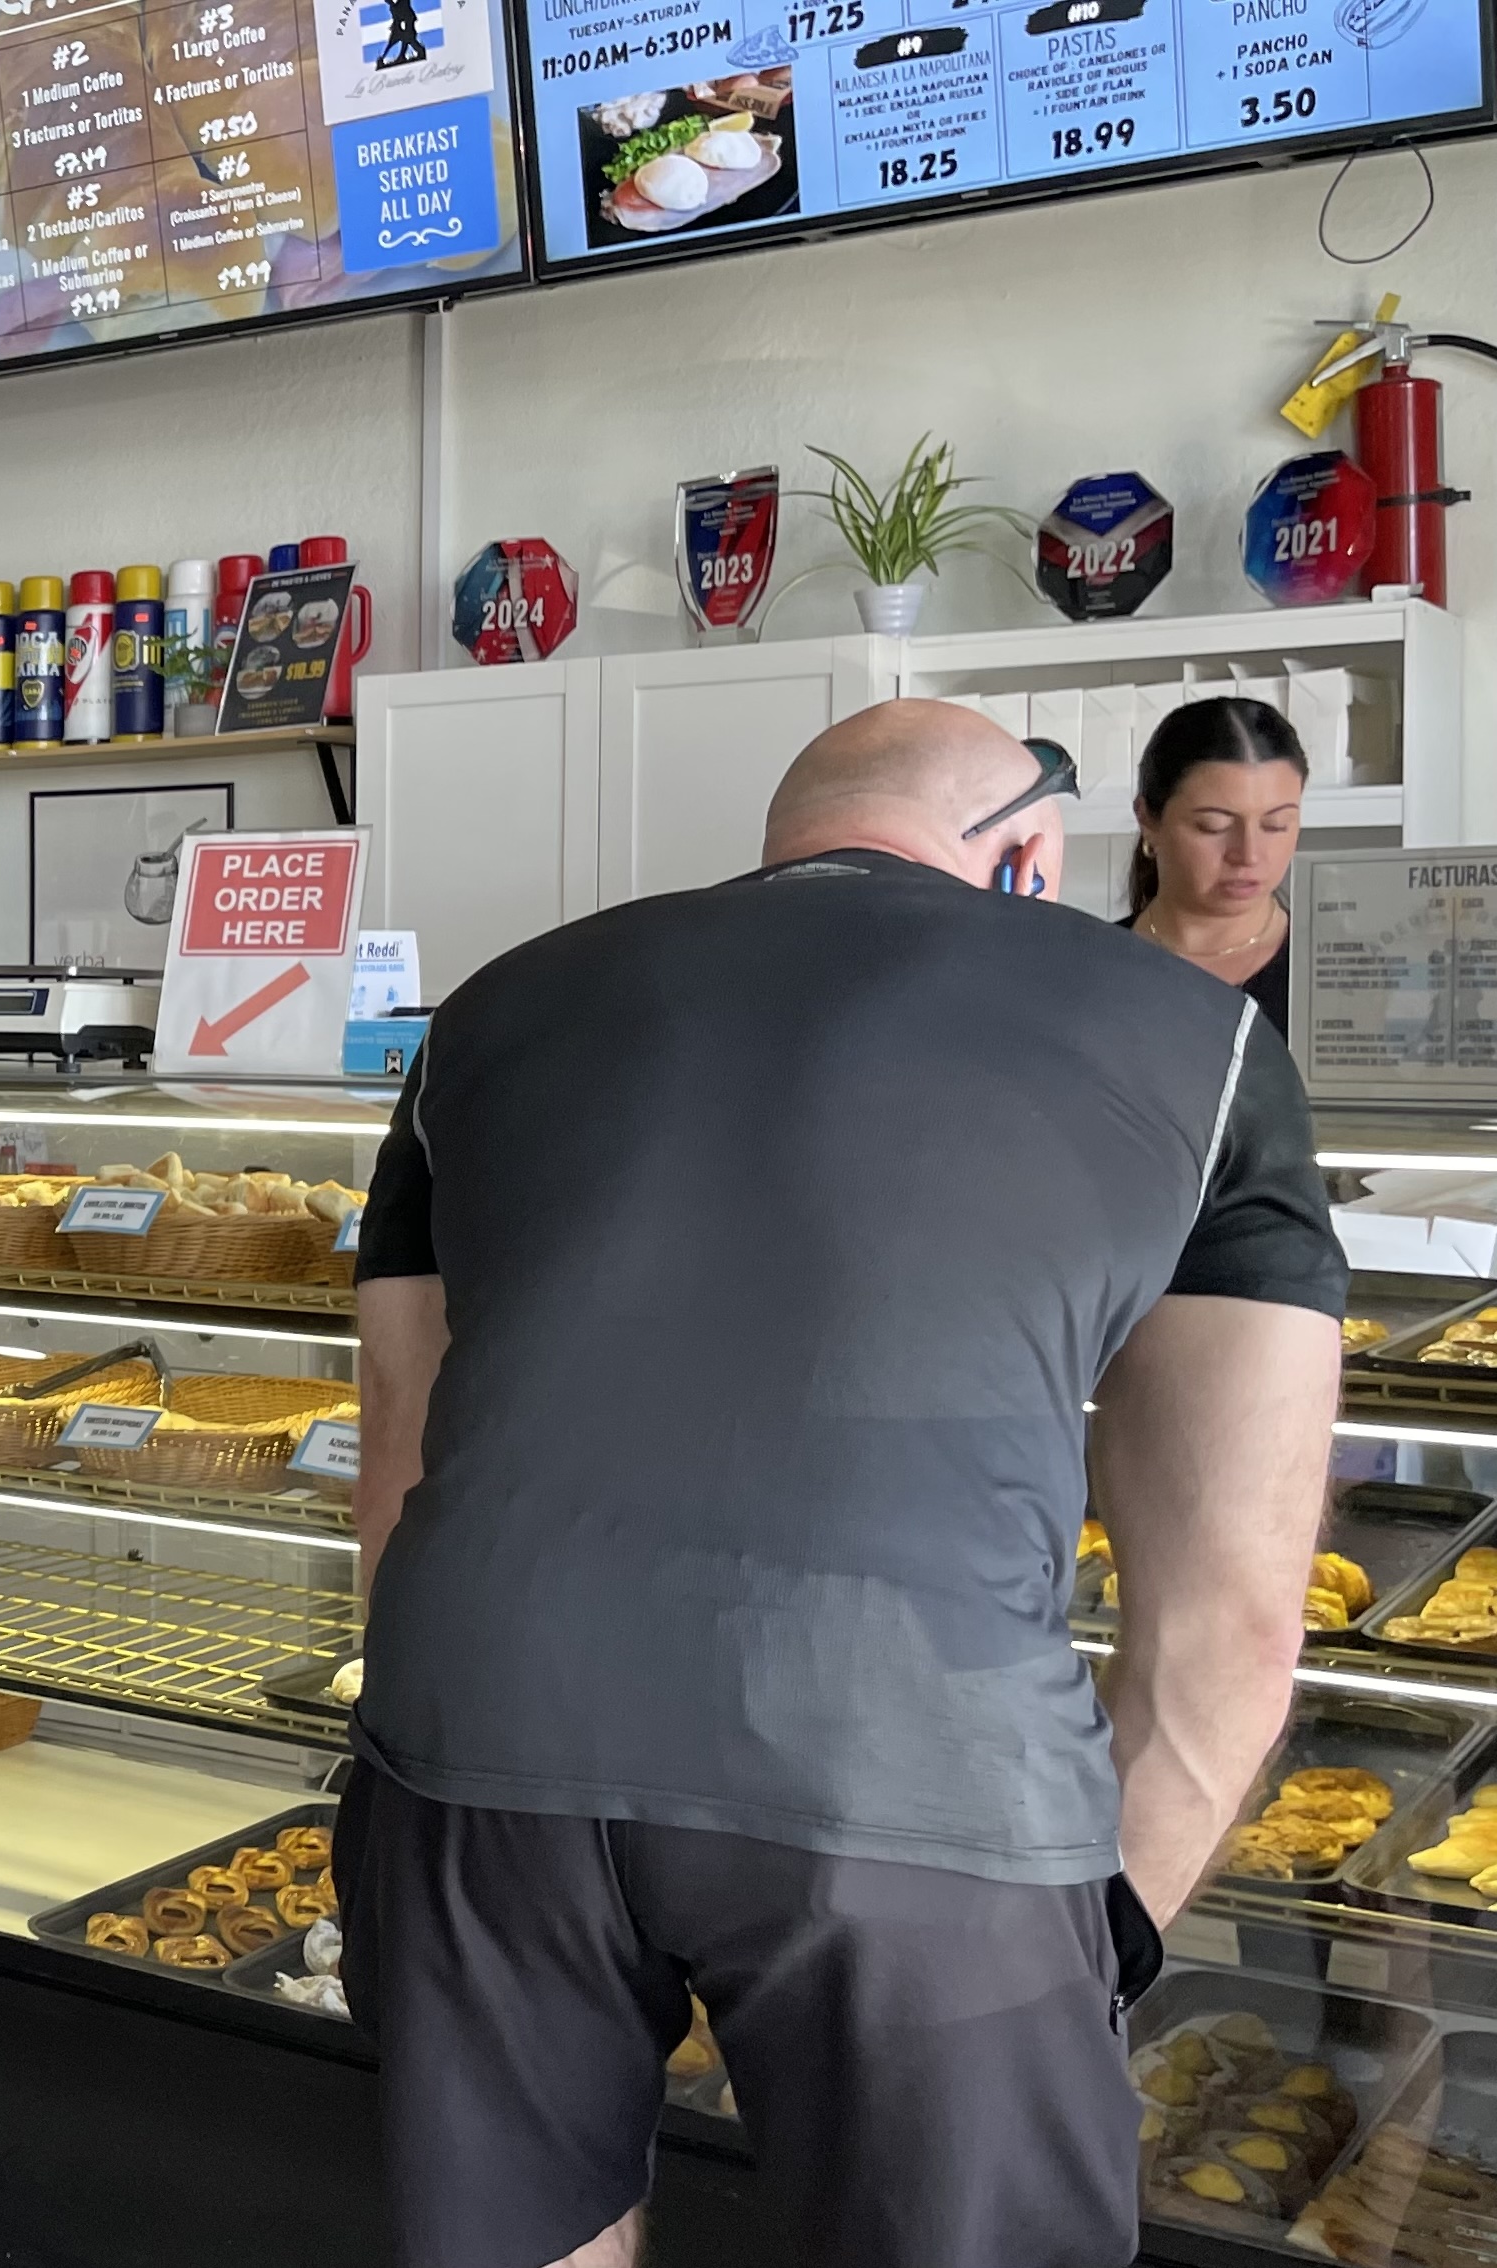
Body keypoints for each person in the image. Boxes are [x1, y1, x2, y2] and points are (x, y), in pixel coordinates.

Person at [341, 699, 1345, 2268]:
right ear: (1026, 855)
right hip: (918, 1771)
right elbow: (1236, 1618)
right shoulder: (1205, 1043)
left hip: (477, 1747)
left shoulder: (486, 1014)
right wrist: (1104, 1933)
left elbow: (397, 1473)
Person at [1123, 694, 1308, 1033]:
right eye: (1213, 826)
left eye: (1275, 825)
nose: (1249, 854)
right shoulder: (1093, 968)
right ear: (1148, 820)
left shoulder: (1326, 976)